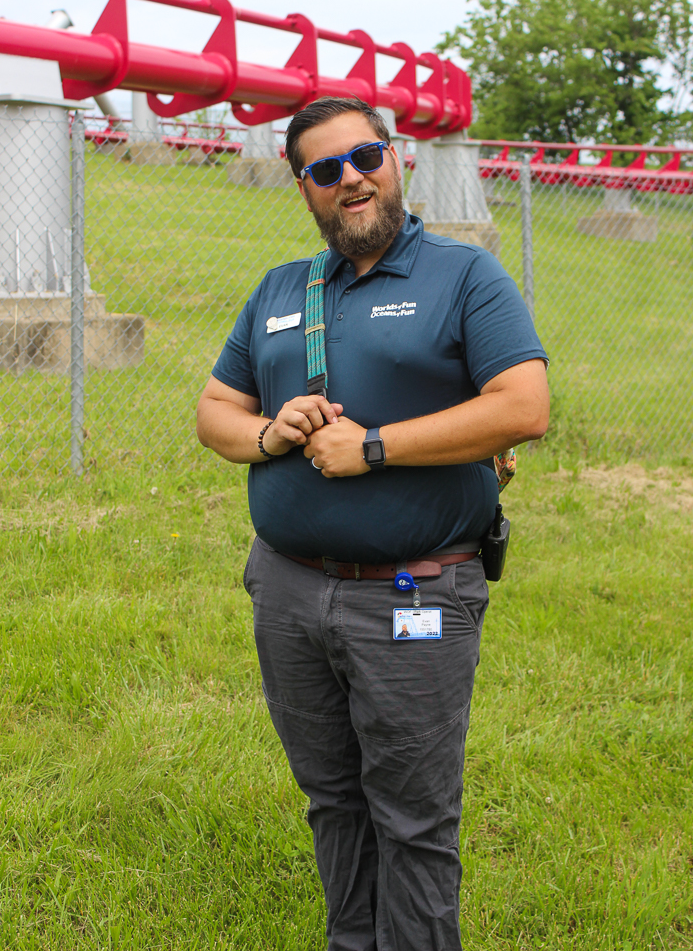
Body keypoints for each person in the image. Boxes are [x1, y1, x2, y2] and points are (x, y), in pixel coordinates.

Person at [196, 96, 549, 951]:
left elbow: (524, 405)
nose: (349, 179)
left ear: (397, 160)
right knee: (333, 802)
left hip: (414, 594)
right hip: (287, 591)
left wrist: (377, 448)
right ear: (304, 188)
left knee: (415, 821)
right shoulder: (280, 291)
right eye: (324, 169)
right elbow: (214, 410)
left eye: (364, 156)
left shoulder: (465, 276)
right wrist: (267, 433)